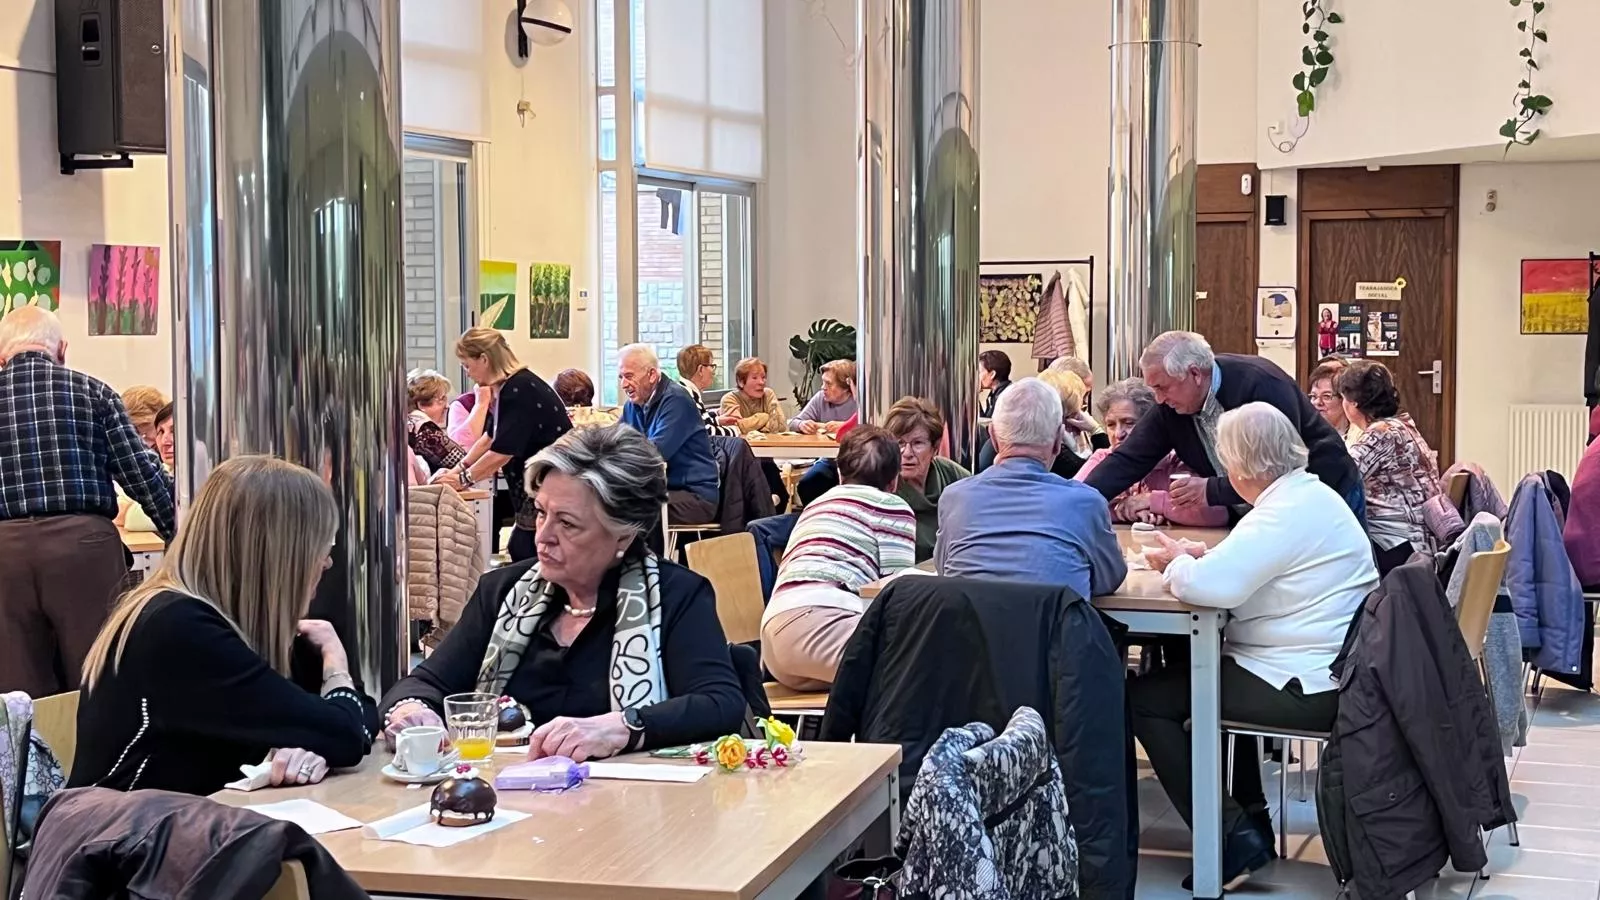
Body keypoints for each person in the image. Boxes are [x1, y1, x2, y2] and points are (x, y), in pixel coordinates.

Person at [380, 426, 746, 760]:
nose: (542, 535)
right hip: (507, 806)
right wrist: (412, 711)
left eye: (567, 523)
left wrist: (622, 727)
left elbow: (719, 703)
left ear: (623, 534)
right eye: (541, 513)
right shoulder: (502, 592)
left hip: (630, 813)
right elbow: (424, 682)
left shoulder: (675, 595)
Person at [1134, 402, 1377, 890]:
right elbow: (1253, 562)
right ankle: (1248, 821)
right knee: (1212, 674)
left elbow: (1213, 590)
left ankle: (1231, 835)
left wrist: (1176, 567)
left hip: (1303, 686)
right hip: (1325, 668)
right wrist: (1199, 556)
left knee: (1142, 702)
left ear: (1242, 464)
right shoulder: (1304, 496)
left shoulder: (1284, 511)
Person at [71, 456, 373, 796]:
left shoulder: (234, 622)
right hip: (124, 841)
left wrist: (311, 744)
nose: (327, 560)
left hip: (181, 829)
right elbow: (346, 732)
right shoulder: (178, 629)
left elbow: (359, 720)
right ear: (276, 552)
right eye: (321, 545)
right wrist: (336, 665)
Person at [0, 308, 176, 698]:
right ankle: (101, 758)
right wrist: (179, 539)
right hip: (84, 550)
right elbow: (143, 476)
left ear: (1, 357)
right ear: (61, 349)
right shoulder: (93, 392)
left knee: (16, 695)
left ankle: (30, 760)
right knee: (100, 676)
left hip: (3, 558)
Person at [1084, 331, 1363, 521]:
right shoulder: (1171, 405)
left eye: (1162, 387)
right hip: (1258, 508)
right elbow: (1127, 460)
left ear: (1194, 374)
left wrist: (1212, 490)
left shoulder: (1261, 383)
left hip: (1326, 490)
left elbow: (1281, 471)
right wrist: (1077, 502)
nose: (1158, 399)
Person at [937, 379, 1126, 599]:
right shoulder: (1086, 503)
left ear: (994, 438)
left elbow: (945, 572)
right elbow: (1109, 579)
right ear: (1058, 440)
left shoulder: (954, 498)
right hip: (1055, 632)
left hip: (966, 631)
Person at [761, 426, 915, 690]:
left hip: (773, 644)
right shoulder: (891, 505)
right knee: (922, 657)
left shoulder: (816, 505)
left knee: (868, 678)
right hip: (822, 626)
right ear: (894, 481)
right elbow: (897, 594)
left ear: (840, 475)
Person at [431, 329, 572, 562]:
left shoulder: (519, 388)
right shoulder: (509, 387)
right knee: (523, 548)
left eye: (467, 365)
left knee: (529, 552)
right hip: (538, 486)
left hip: (549, 485)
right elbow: (489, 437)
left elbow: (502, 451)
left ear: (484, 359)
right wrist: (457, 470)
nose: (467, 373)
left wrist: (463, 479)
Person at [1077, 378, 1228, 527]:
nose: (1118, 434)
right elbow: (1070, 502)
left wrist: (1153, 501)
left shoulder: (1177, 463)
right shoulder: (1102, 458)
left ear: (1151, 426)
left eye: (1129, 423)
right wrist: (1120, 510)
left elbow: (1218, 514)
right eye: (1110, 425)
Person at [1338, 360, 1443, 575]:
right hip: (1421, 539)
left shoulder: (1382, 433)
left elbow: (1342, 476)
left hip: (1403, 546)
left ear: (1353, 403)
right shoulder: (1403, 425)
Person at [618, 344, 720, 527]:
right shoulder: (633, 405)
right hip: (660, 489)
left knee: (626, 507)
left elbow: (653, 454)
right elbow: (615, 443)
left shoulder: (676, 400)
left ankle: (645, 557)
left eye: (629, 376)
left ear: (652, 375)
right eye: (621, 377)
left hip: (694, 496)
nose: (624, 384)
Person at [884, 397, 969, 562]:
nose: (907, 452)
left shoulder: (951, 475)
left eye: (917, 443)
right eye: (900, 443)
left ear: (935, 448)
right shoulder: (883, 484)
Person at [119, 403, 179, 533]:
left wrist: (129, 511)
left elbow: (133, 519)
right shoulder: (167, 470)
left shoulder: (198, 480)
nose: (164, 441)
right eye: (160, 432)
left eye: (174, 431)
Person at [406, 369, 468, 474]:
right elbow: (463, 462)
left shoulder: (407, 422)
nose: (447, 406)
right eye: (442, 399)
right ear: (421, 404)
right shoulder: (425, 430)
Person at [674, 345, 738, 436]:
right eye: (711, 365)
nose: (713, 371)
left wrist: (717, 419)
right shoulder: (688, 397)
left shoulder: (684, 390)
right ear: (700, 370)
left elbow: (700, 421)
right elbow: (706, 433)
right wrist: (736, 430)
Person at [789, 359, 858, 434]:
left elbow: (869, 428)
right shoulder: (820, 397)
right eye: (823, 382)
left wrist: (846, 427)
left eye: (828, 384)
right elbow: (793, 423)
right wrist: (801, 425)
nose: (823, 387)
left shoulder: (858, 401)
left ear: (845, 387)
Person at [719, 357, 786, 433]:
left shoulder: (768, 394)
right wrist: (764, 417)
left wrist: (752, 426)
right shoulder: (729, 399)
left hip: (769, 443)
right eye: (755, 378)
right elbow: (735, 428)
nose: (761, 382)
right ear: (741, 382)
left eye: (763, 377)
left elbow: (781, 425)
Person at [1308, 357, 1360, 445]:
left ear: (1344, 399)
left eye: (1326, 396)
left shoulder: (1361, 438)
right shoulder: (1304, 434)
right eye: (1313, 396)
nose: (1317, 402)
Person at [977, 350, 1012, 419]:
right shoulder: (995, 393)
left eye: (979, 372)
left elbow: (989, 427)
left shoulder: (1005, 398)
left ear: (992, 374)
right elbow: (985, 422)